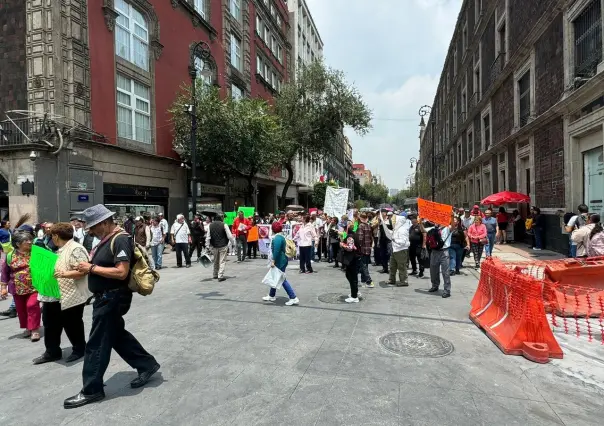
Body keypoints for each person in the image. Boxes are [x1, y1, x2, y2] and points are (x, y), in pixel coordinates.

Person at [63, 204, 160, 409]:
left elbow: (121, 272)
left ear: (105, 223)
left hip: (112, 298)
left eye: (93, 227)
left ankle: (92, 389)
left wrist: (91, 267)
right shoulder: (104, 240)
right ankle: (147, 364)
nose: (89, 231)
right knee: (116, 335)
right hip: (105, 297)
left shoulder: (121, 239)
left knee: (97, 344)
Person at [33, 223, 91, 365]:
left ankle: (79, 349)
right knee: (50, 324)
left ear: (56, 236)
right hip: (54, 295)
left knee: (72, 324)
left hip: (71, 295)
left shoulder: (76, 249)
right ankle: (52, 352)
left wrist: (66, 274)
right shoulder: (60, 249)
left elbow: (84, 271)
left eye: (52, 235)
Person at [0, 230, 41, 341]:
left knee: (32, 306)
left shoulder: (36, 253)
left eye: (30, 239)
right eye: (26, 240)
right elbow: (5, 272)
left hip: (34, 286)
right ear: (18, 244)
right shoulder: (10, 256)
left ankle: (35, 329)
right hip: (17, 288)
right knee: (21, 310)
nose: (29, 242)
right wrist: (3, 287)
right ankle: (28, 327)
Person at [262, 221, 299, 306]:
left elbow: (277, 251)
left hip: (279, 261)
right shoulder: (281, 236)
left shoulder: (277, 238)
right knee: (276, 277)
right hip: (282, 260)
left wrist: (273, 261)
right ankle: (271, 295)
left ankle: (293, 297)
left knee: (281, 279)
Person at [381, 212, 410, 287]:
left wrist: (394, 240)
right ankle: (392, 279)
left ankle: (404, 281)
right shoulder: (397, 228)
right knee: (392, 265)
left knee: (402, 266)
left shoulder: (402, 230)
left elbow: (404, 242)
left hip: (401, 250)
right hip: (395, 249)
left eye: (394, 221)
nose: (392, 222)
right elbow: (393, 234)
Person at [206, 214, 235, 282]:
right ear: (221, 218)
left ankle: (215, 274)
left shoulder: (210, 225)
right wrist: (233, 243)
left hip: (214, 245)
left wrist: (207, 246)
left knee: (216, 260)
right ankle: (220, 275)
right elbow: (230, 236)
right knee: (222, 261)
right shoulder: (224, 224)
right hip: (223, 245)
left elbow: (208, 236)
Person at [428, 222, 452, 298]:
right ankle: (435, 285)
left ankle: (447, 290)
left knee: (446, 272)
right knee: (433, 270)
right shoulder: (434, 228)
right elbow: (423, 230)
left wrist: (451, 216)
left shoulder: (448, 228)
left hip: (444, 252)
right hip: (434, 252)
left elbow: (453, 227)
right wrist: (421, 223)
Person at [341, 221, 362, 303]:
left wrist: (342, 244)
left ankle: (354, 296)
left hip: (352, 259)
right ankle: (355, 292)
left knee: (352, 277)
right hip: (354, 258)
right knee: (350, 275)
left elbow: (350, 248)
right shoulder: (354, 234)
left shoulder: (350, 236)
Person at [356, 213, 374, 288]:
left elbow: (360, 238)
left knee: (363, 265)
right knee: (365, 264)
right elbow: (371, 237)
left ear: (361, 218)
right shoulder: (368, 225)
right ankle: (363, 280)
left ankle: (369, 281)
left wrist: (357, 247)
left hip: (362, 248)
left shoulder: (361, 226)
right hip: (368, 248)